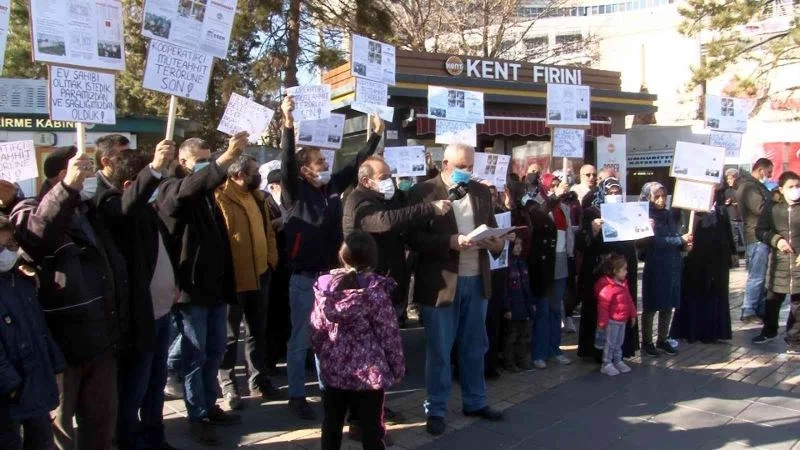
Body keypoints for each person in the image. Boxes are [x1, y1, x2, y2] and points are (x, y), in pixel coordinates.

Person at [12, 146, 129, 449]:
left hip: (101, 337)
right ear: (64, 175)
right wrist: (67, 190)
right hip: (63, 343)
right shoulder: (31, 208)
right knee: (60, 430)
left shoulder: (89, 210)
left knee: (101, 425)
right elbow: (38, 236)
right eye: (84, 170)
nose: (91, 176)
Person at [280, 95, 384, 419]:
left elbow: (355, 166)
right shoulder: (294, 191)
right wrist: (287, 123)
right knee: (300, 340)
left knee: (327, 340)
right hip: (303, 280)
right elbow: (285, 161)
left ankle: (330, 391)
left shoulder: (330, 191)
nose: (326, 167)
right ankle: (297, 395)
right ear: (304, 170)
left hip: (328, 280)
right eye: (320, 164)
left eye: (326, 163)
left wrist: (375, 136)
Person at [156, 133, 249, 444]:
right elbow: (185, 194)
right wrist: (224, 160)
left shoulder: (209, 195)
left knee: (215, 350)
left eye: (211, 160)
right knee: (195, 355)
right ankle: (196, 415)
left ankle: (210, 404)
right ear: (182, 162)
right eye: (201, 161)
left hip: (214, 288)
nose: (207, 167)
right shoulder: (172, 189)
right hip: (191, 290)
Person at [407, 142, 505, 436]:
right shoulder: (423, 192)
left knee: (475, 346)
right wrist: (447, 242)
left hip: (477, 280)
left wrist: (497, 242)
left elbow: (493, 229)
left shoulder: (478, 191)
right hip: (441, 284)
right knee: (440, 350)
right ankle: (435, 409)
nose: (467, 172)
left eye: (471, 166)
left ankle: (475, 401)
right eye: (462, 166)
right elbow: (412, 237)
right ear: (444, 164)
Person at [95, 143, 183, 450]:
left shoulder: (148, 210)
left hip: (162, 312)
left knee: (156, 384)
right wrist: (155, 168)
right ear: (131, 185)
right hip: (139, 317)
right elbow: (124, 208)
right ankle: (130, 441)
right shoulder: (109, 205)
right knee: (135, 388)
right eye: (153, 183)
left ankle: (155, 436)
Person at [310, 231, 405, 450]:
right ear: (373, 258)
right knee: (372, 428)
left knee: (331, 424)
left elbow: (316, 331)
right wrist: (397, 368)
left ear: (342, 255)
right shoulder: (375, 293)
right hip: (369, 374)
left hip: (334, 371)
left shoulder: (325, 288)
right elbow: (389, 335)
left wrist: (325, 358)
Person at [342, 156, 449, 319]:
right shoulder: (357, 201)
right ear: (366, 181)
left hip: (392, 282)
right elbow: (385, 221)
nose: (389, 181)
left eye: (390, 176)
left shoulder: (388, 198)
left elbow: (410, 202)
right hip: (368, 286)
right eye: (383, 177)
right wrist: (429, 208)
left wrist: (432, 172)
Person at [215, 155, 281, 409]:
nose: (259, 176)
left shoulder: (258, 198)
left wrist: (271, 257)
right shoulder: (221, 197)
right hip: (234, 277)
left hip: (261, 272)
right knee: (231, 335)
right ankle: (228, 383)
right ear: (240, 174)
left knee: (257, 331)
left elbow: (268, 231)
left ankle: (258, 379)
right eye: (254, 171)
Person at [0, 215, 65, 449]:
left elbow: (40, 328)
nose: (8, 252)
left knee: (42, 440)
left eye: (11, 245)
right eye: (1, 247)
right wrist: (12, 385)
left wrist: (56, 366)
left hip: (34, 383)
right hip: (10, 393)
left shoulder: (20, 280)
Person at [576, 177, 640, 362]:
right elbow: (582, 243)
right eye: (610, 192)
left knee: (622, 306)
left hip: (622, 268)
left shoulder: (628, 211)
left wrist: (644, 229)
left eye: (617, 192)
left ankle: (621, 349)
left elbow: (636, 241)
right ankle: (597, 352)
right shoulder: (591, 212)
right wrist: (593, 230)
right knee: (602, 311)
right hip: (600, 272)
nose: (614, 195)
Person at [670, 188, 735, 344]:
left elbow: (728, 233)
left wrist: (732, 253)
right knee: (695, 295)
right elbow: (675, 228)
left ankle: (715, 332)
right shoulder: (686, 210)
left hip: (718, 261)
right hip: (695, 260)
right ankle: (692, 331)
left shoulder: (720, 211)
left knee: (717, 295)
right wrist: (682, 243)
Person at [639, 182, 692, 357]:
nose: (661, 200)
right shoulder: (645, 215)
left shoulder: (668, 215)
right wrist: (680, 241)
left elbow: (674, 234)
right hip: (656, 264)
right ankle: (646, 341)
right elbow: (655, 241)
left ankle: (663, 338)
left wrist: (684, 245)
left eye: (663, 195)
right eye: (657, 196)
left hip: (672, 264)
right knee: (652, 305)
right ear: (648, 198)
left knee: (668, 304)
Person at [529, 173, 572, 369]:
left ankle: (555, 349)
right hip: (544, 264)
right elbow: (538, 216)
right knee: (543, 309)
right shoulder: (535, 203)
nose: (556, 188)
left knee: (556, 309)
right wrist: (556, 196)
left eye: (558, 185)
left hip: (561, 261)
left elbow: (568, 233)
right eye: (552, 185)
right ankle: (539, 352)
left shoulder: (564, 207)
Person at [753, 171, 800, 354]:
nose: (796, 190)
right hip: (778, 263)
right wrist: (776, 240)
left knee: (798, 303)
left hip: (797, 263)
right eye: (791, 187)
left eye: (798, 186)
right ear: (781, 189)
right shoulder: (772, 208)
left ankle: (795, 339)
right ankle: (769, 330)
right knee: (772, 299)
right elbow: (760, 230)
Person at [737, 158, 774, 323]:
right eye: (769, 171)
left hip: (761, 235)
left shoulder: (755, 185)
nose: (770, 175)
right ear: (761, 169)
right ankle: (749, 310)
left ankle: (758, 308)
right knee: (757, 275)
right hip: (756, 236)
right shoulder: (749, 187)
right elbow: (761, 209)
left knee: (762, 275)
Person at [262, 168, 291, 374]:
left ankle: (284, 350)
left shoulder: (291, 203)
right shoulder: (266, 203)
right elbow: (266, 227)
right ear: (273, 186)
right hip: (274, 267)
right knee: (273, 315)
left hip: (291, 265)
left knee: (287, 314)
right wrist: (287, 220)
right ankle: (269, 359)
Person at [595, 254, 638, 376]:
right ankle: (606, 363)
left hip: (622, 320)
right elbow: (603, 306)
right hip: (612, 321)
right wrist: (603, 322)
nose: (626, 272)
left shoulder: (623, 284)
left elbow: (629, 300)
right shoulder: (608, 287)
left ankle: (618, 360)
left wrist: (633, 314)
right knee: (610, 343)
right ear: (615, 271)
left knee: (619, 342)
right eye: (624, 269)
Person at [502, 237, 535, 372]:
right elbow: (504, 289)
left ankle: (521, 360)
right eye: (515, 245)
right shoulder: (507, 264)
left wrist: (531, 303)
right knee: (511, 336)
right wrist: (507, 308)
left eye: (520, 245)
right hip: (513, 307)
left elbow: (527, 286)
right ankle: (509, 362)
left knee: (523, 336)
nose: (518, 247)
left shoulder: (522, 263)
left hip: (524, 306)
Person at [725, 169, 744, 262]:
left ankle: (749, 261)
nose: (728, 181)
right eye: (727, 179)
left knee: (745, 240)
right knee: (734, 240)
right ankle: (735, 261)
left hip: (742, 219)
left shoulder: (742, 190)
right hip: (732, 218)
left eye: (730, 178)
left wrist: (738, 203)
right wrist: (727, 203)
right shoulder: (727, 191)